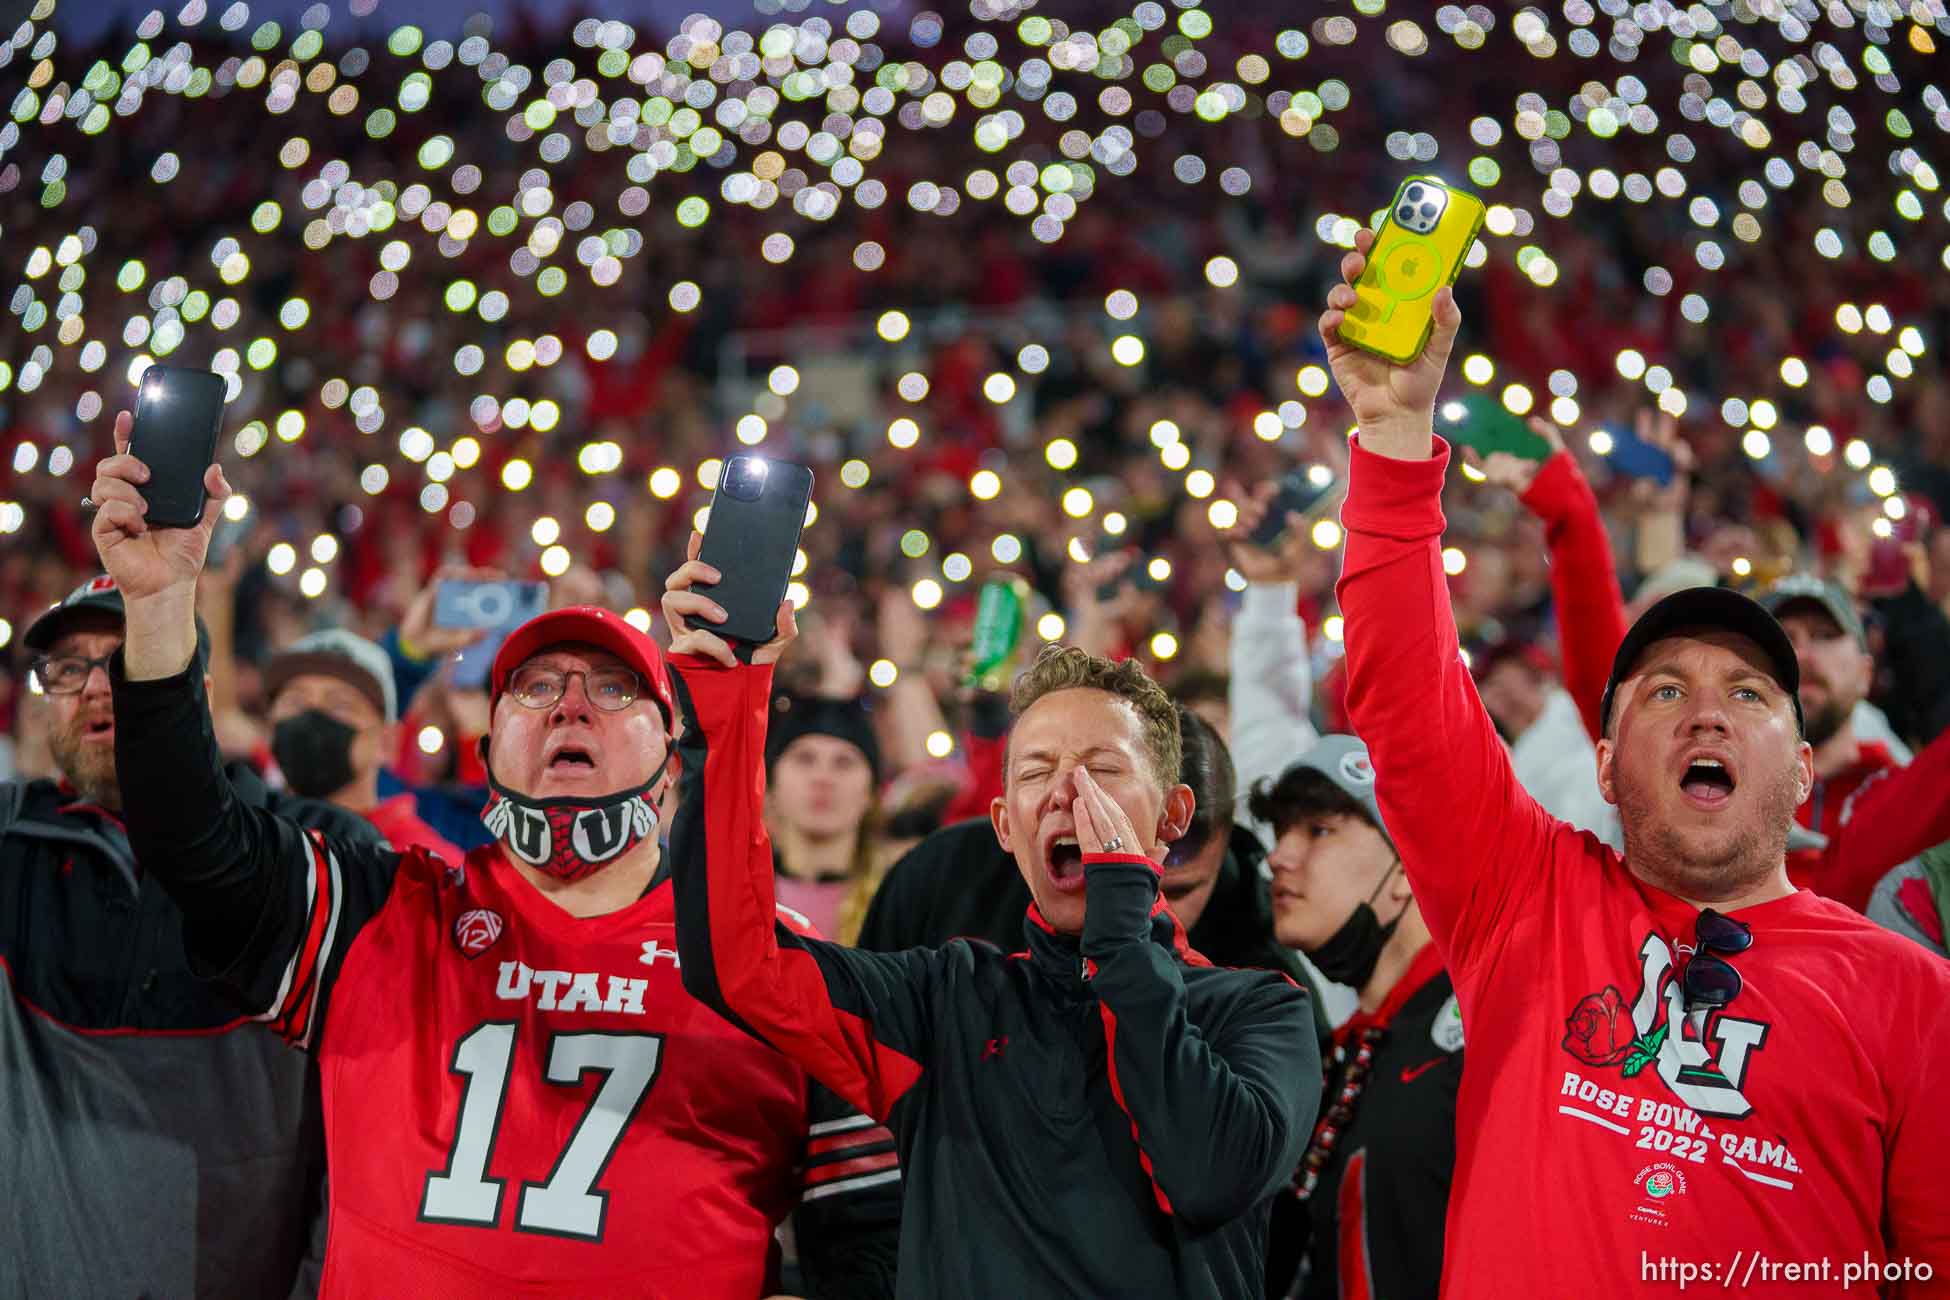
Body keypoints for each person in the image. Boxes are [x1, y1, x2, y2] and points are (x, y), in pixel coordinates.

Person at [86, 415, 899, 1297]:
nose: (570, 705)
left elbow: (869, 1242)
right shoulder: (382, 914)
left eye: (615, 687)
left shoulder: (773, 975)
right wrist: (162, 608)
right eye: (537, 686)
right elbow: (192, 841)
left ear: (672, 756)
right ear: (487, 753)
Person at [1319, 230, 1950, 1296]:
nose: (1706, 713)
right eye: (1665, 691)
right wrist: (1390, 434)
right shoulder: (1523, 896)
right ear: (1605, 766)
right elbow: (1407, 707)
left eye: (1747, 693)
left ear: (1801, 770)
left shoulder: (1914, 995)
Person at [662, 533, 1320, 1298]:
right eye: (1039, 771)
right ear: (1006, 826)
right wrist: (727, 699)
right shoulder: (946, 1000)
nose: (1069, 792)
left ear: (1173, 815)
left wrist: (1122, 936)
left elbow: (1208, 1173)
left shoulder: (1260, 1011)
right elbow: (736, 961)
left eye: (1104, 768)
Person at [2, 574, 381, 1298]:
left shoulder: (322, 852)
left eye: (127, 657)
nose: (93, 686)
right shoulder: (10, 839)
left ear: (193, 691)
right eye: (68, 667)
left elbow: (370, 1121)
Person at [857, 705, 1315, 999]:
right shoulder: (943, 875)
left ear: (1222, 855)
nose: (1144, 908)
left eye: (1177, 892)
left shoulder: (1263, 973)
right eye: (1111, 868)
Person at [1250, 736, 1460, 1300]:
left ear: (1404, 862)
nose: (1278, 857)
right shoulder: (1351, 1047)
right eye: (1281, 832)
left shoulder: (1485, 1039)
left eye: (1318, 830)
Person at [1756, 573, 1950, 912]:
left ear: (1866, 674)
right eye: (1783, 636)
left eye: (1825, 636)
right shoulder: (1708, 798)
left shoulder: (1915, 802)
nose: (1802, 654)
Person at [265, 627, 462, 860]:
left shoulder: (431, 870)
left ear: (387, 742)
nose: (311, 715)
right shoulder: (244, 844)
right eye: (295, 701)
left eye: (340, 705)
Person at [765, 692, 894, 944]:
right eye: (805, 759)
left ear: (871, 794)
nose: (823, 778)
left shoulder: (896, 903)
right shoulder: (734, 897)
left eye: (844, 763)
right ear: (771, 787)